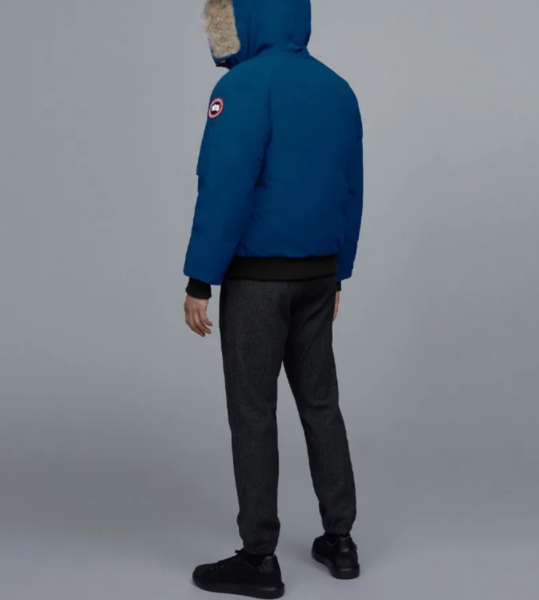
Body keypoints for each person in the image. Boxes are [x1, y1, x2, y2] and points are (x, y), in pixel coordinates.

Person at [183, 0, 363, 597]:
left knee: (254, 412)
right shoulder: (338, 89)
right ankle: (340, 540)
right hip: (317, 276)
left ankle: (259, 558)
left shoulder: (242, 87)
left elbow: (224, 186)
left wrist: (200, 278)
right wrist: (339, 275)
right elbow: (351, 190)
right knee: (321, 403)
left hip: (258, 281)